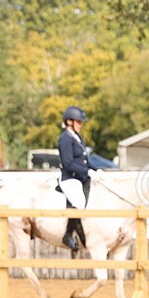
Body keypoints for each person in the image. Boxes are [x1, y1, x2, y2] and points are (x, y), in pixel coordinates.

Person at [57, 106, 96, 252]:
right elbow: (68, 163)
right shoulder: (65, 139)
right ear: (69, 122)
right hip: (70, 179)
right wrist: (87, 171)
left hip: (81, 178)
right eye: (79, 122)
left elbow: (85, 160)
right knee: (79, 203)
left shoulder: (78, 138)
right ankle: (68, 235)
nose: (81, 124)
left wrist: (96, 170)